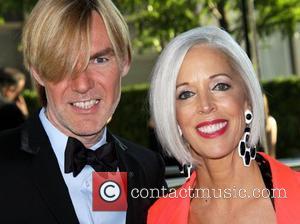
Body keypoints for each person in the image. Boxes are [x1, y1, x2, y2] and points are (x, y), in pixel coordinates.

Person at [0, 1, 166, 224]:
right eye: (64, 63)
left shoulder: (148, 168)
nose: (82, 84)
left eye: (99, 60)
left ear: (125, 60)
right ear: (37, 72)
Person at [147, 26, 300, 224]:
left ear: (247, 98)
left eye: (220, 86)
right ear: (172, 115)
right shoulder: (159, 217)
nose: (205, 105)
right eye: (186, 94)